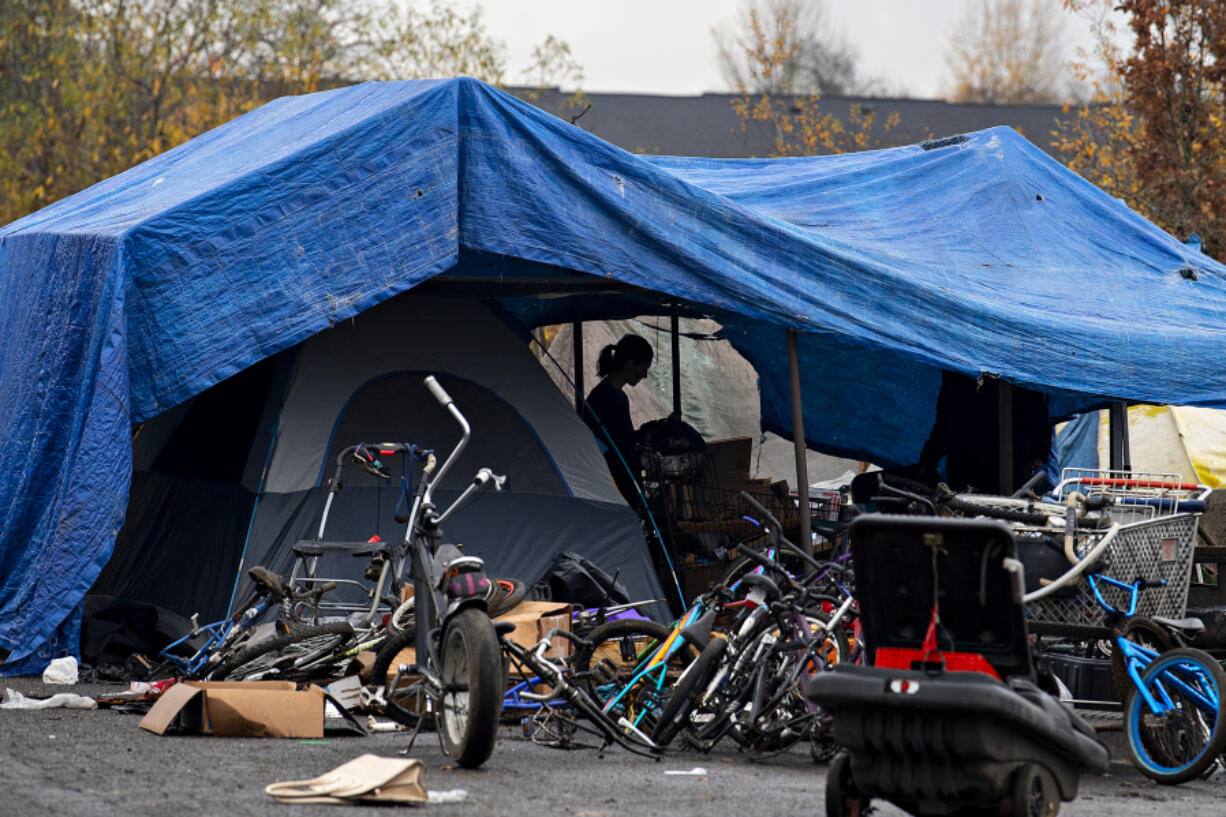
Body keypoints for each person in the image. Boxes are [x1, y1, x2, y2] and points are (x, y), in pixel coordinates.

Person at [582, 334, 654, 506]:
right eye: (643, 369)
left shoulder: (604, 393)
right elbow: (623, 443)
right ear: (630, 364)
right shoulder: (611, 397)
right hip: (610, 476)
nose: (644, 375)